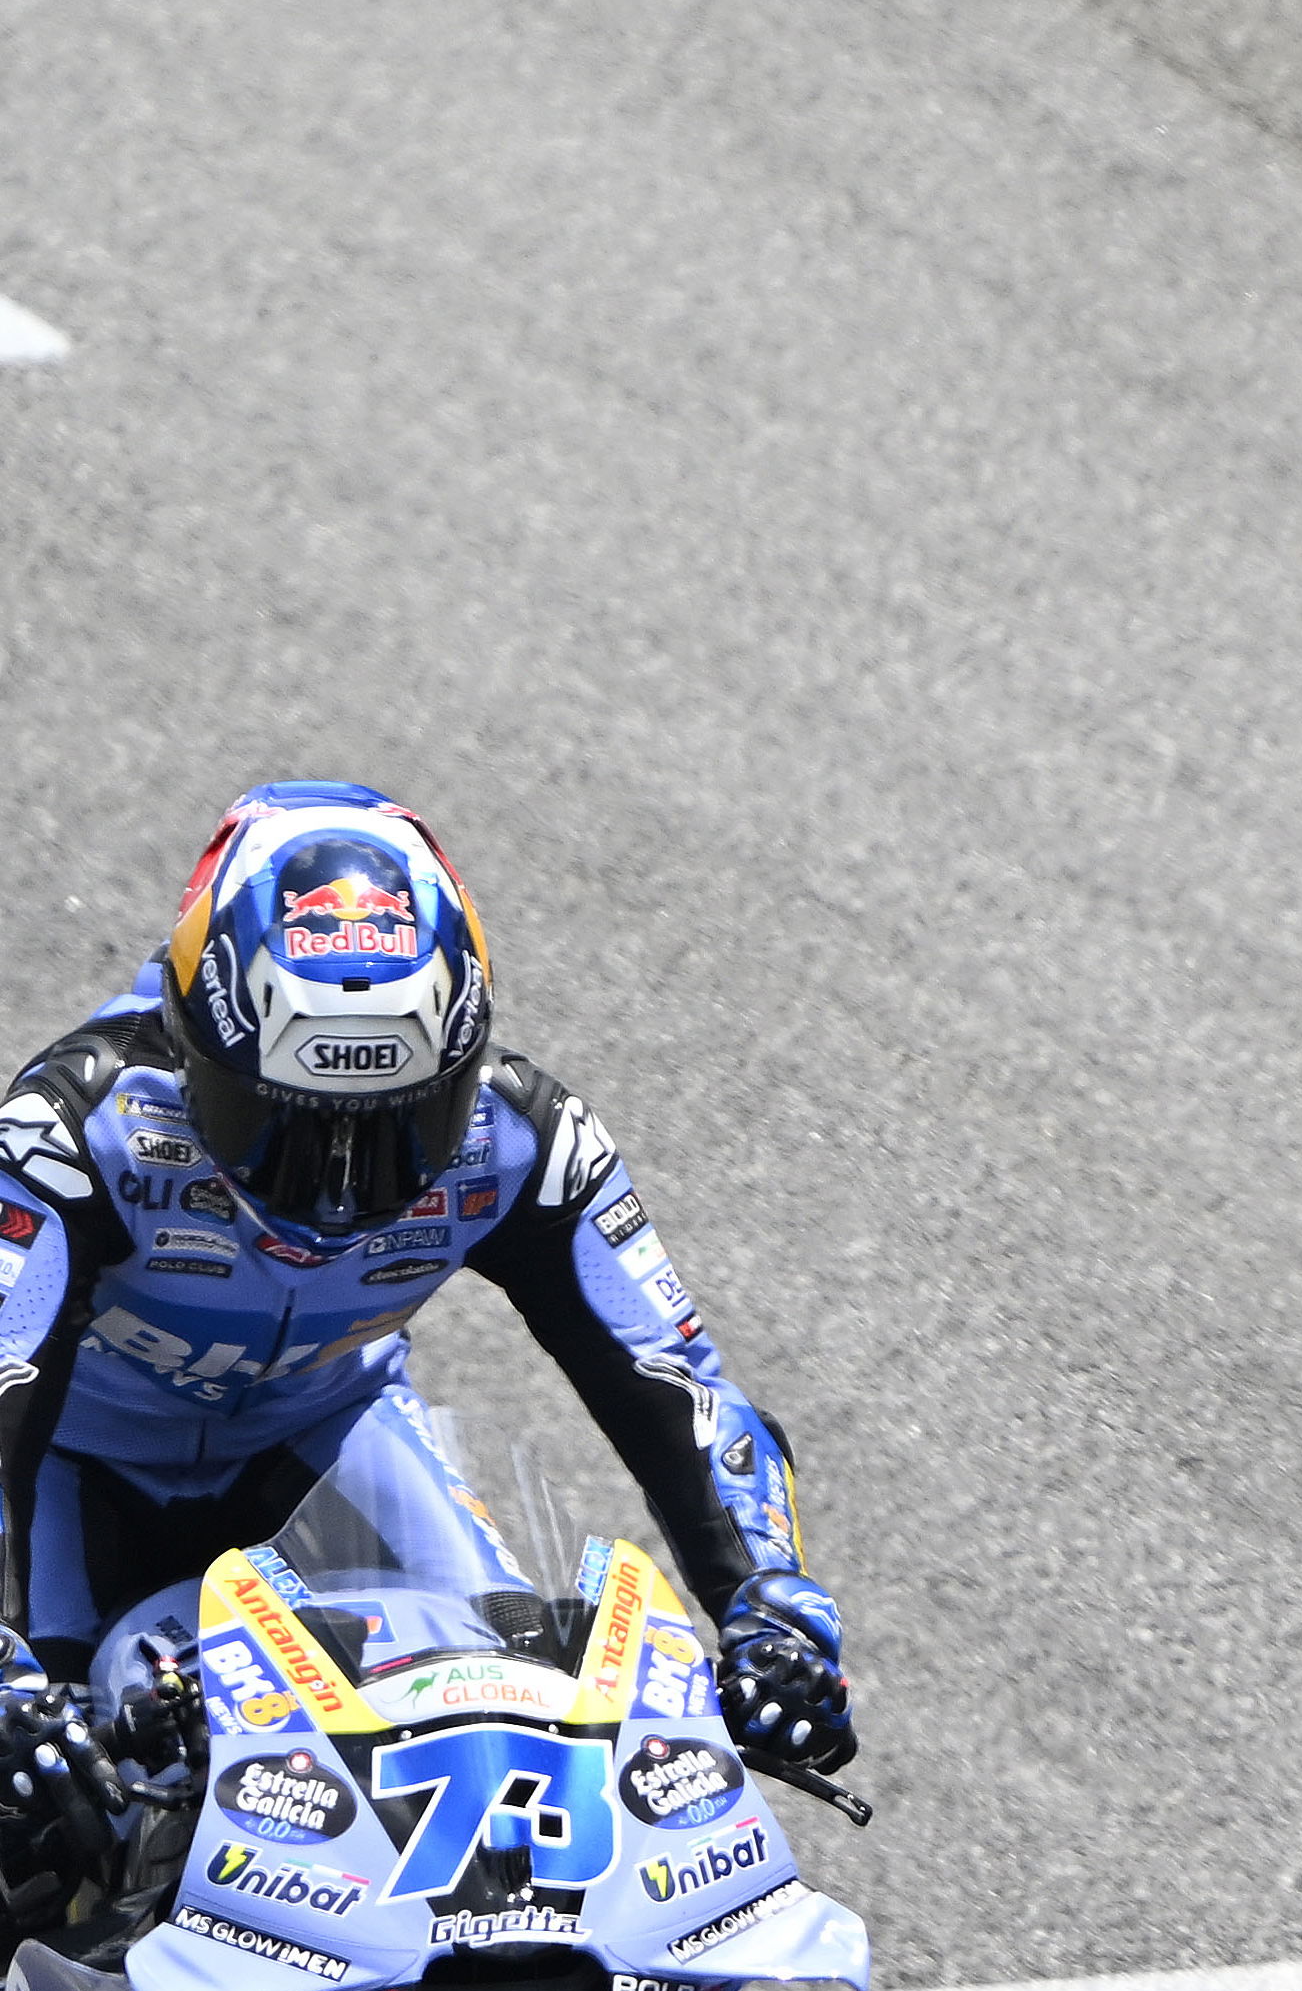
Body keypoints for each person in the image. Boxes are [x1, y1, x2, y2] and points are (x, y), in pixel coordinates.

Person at [0, 781, 854, 1869]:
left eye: (403, 1127)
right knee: (52, 1815)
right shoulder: (75, 1132)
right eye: (289, 1128)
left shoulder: (527, 1139)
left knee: (519, 1732)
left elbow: (679, 1382)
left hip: (333, 1444)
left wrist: (774, 1613)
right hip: (74, 1478)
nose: (346, 1190)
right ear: (198, 1043)